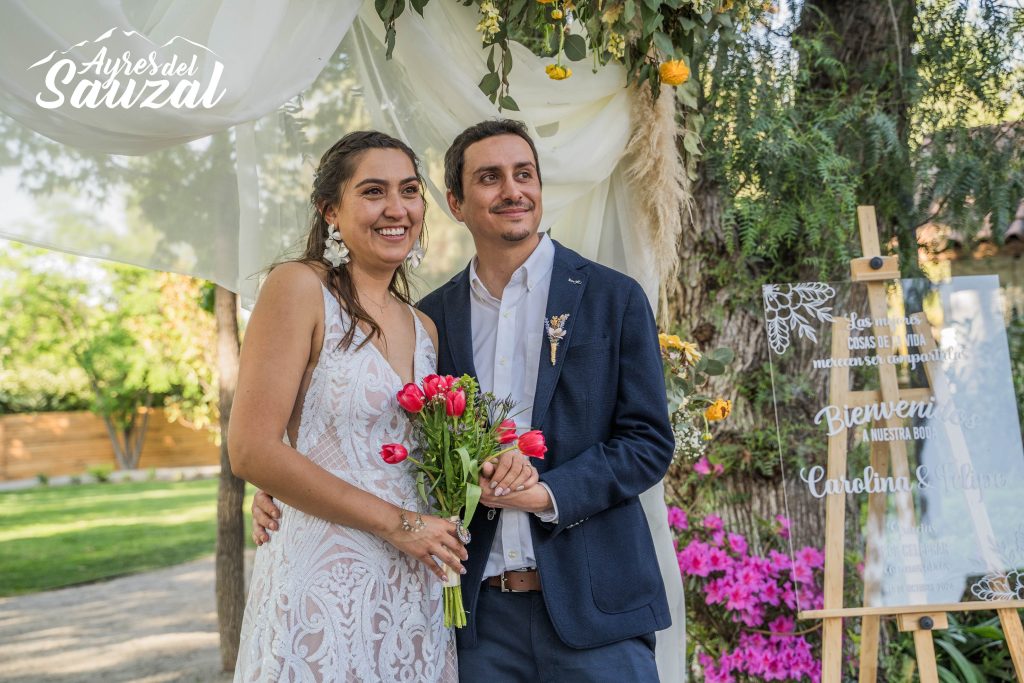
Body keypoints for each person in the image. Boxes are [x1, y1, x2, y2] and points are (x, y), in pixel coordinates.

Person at [253, 120, 674, 681]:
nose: (512, 191)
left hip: (595, 610)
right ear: (455, 201)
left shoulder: (612, 296)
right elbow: (391, 430)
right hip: (470, 616)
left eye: (524, 174)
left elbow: (648, 442)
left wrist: (546, 492)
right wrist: (277, 476)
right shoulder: (433, 319)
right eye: (490, 178)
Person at [229, 130, 536, 682]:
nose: (396, 209)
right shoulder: (299, 287)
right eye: (373, 192)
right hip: (325, 580)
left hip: (414, 589)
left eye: (409, 190)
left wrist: (496, 462)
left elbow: (422, 456)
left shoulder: (424, 327)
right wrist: (397, 523)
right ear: (331, 210)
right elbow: (251, 448)